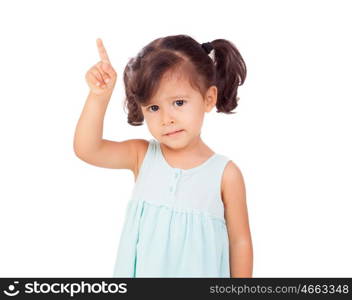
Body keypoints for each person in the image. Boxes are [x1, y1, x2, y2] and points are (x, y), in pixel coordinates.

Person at [73, 34, 253, 278]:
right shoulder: (142, 156)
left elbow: (240, 242)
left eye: (178, 102)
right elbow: (87, 149)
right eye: (154, 108)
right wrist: (98, 96)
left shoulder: (225, 174)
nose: (166, 119)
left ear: (208, 98)